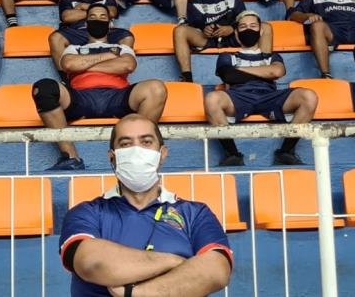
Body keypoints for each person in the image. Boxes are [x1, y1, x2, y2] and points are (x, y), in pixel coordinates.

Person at [59, 114, 233, 297]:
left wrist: (134, 293)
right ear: (112, 157)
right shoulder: (86, 212)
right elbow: (91, 262)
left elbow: (217, 270)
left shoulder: (196, 213)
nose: (136, 151)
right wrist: (175, 262)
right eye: (125, 144)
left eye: (146, 142)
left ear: (162, 154)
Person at [32, 4, 168, 170]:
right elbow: (68, 65)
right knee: (43, 88)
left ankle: (136, 154)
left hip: (118, 96)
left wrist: (84, 66)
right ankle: (71, 158)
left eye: (103, 17)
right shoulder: (74, 48)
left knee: (156, 88)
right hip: (81, 97)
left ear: (110, 23)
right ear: (86, 23)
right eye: (93, 17)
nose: (98, 20)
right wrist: (108, 56)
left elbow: (127, 65)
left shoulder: (122, 47)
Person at [205, 11, 318, 166]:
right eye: (243, 27)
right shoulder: (227, 56)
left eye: (253, 26)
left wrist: (239, 70)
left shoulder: (272, 57)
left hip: (270, 97)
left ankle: (286, 152)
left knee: (309, 96)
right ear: (236, 33)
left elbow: (276, 72)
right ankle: (232, 154)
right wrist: (264, 73)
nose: (248, 30)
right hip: (238, 97)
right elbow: (229, 76)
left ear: (261, 31)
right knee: (212, 98)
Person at [174, 0, 265, 83]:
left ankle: (265, 70)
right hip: (209, 39)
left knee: (264, 27)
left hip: (234, 36)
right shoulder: (193, 2)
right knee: (180, 30)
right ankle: (187, 78)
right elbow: (196, 24)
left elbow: (243, 17)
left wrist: (231, 28)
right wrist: (205, 29)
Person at [49, 0, 133, 82]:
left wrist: (84, 7)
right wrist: (99, 12)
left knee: (127, 36)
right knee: (55, 37)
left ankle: (118, 74)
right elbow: (67, 17)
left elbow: (112, 12)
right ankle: (66, 80)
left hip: (105, 32)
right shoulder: (68, 0)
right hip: (78, 33)